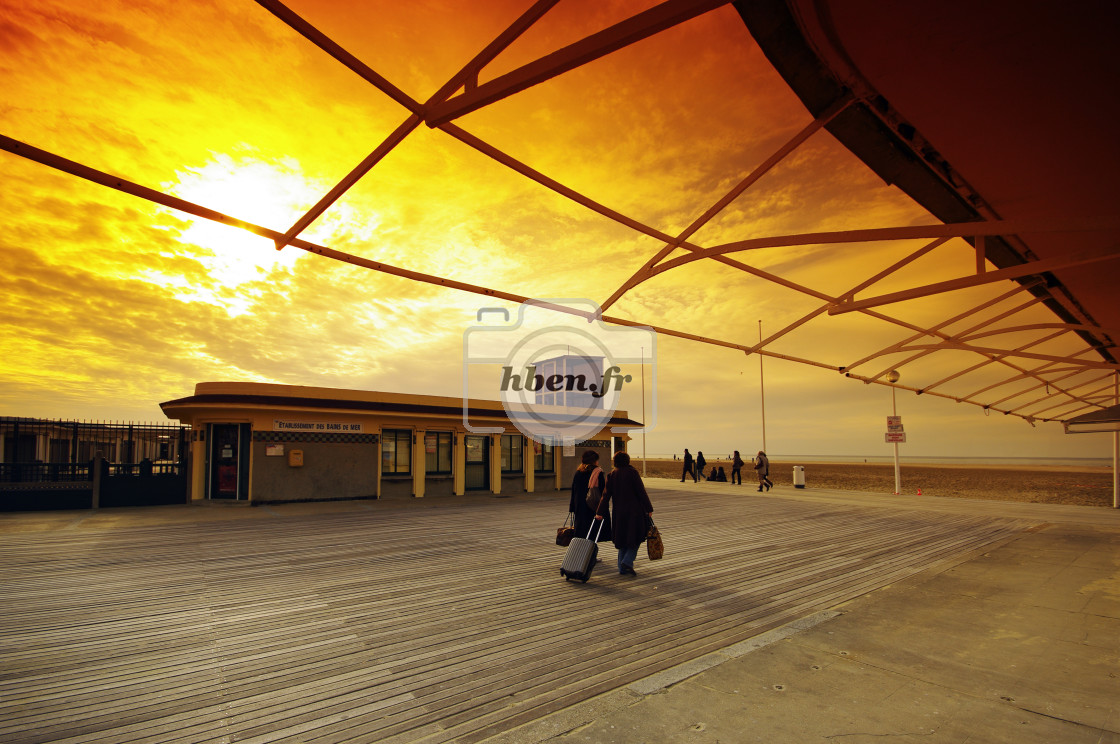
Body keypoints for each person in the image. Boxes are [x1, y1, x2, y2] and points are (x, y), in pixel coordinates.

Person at [596, 451, 654, 576]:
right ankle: (627, 562)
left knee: (622, 538)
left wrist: (599, 512)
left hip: (618, 512)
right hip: (635, 512)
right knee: (636, 537)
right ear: (627, 460)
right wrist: (649, 508)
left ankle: (622, 568)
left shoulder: (612, 475)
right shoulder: (632, 473)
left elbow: (605, 496)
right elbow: (641, 492)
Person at [569, 449, 611, 547]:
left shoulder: (578, 472)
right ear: (594, 461)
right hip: (593, 508)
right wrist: (603, 509)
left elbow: (574, 491)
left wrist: (572, 507)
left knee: (582, 533)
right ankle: (591, 557)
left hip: (580, 507)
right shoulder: (598, 472)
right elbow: (602, 492)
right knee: (593, 533)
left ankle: (582, 556)